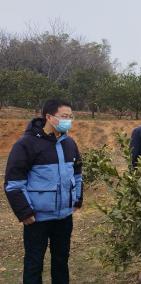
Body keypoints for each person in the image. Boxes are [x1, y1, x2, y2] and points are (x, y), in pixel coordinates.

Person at [4, 99, 83, 284]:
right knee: (34, 263)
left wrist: (77, 199)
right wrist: (25, 212)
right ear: (49, 117)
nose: (69, 120)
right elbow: (14, 183)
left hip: (64, 217)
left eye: (71, 117)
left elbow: (78, 175)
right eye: (64, 116)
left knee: (61, 261)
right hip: (37, 218)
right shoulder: (26, 144)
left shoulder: (69, 143)